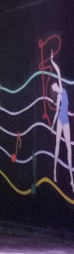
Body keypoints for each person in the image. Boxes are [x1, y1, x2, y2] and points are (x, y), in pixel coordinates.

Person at [51, 53, 74, 191]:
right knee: (57, 145)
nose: (54, 85)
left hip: (65, 121)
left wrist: (52, 60)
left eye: (54, 84)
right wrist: (53, 125)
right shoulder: (59, 96)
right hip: (60, 120)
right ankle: (54, 170)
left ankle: (71, 179)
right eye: (53, 86)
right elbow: (57, 113)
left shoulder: (62, 89)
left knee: (69, 148)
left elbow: (58, 71)